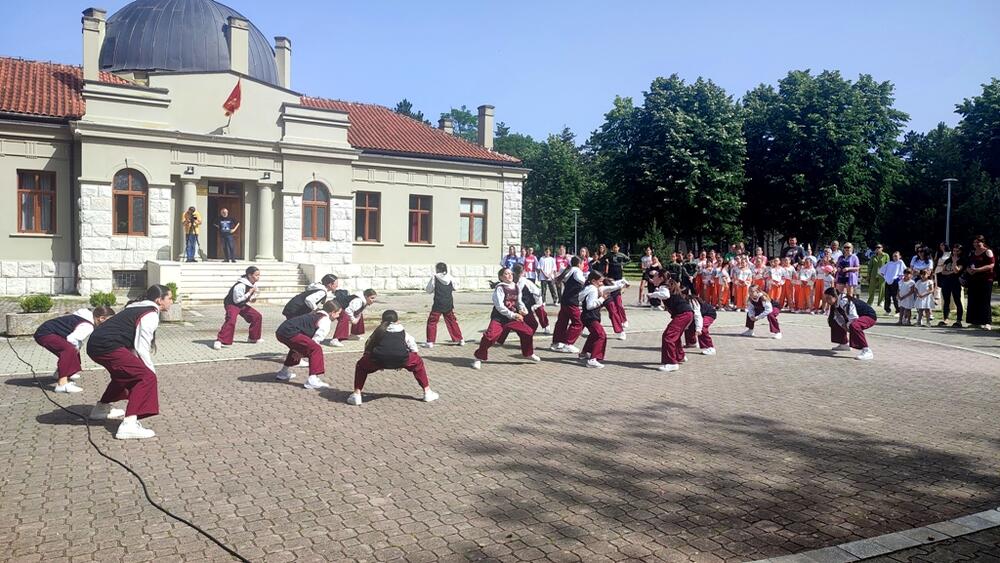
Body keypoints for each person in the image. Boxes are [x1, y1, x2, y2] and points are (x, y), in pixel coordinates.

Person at [87, 285, 173, 440]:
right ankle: (129, 425)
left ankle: (101, 409)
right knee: (145, 377)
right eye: (170, 298)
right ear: (159, 300)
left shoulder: (136, 308)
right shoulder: (150, 313)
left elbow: (132, 344)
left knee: (124, 375)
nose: (171, 302)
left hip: (97, 344)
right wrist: (149, 370)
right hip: (107, 345)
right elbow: (141, 346)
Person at [350, 310, 439, 405]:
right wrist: (410, 360)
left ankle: (357, 394)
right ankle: (427, 392)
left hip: (378, 360)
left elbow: (368, 346)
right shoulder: (402, 331)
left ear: (382, 320)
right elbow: (413, 346)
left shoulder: (378, 331)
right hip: (401, 359)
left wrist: (371, 360)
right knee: (418, 363)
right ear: (397, 321)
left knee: (361, 365)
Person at [34, 306, 115, 393]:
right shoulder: (87, 326)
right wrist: (75, 349)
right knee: (69, 350)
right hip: (45, 334)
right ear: (102, 318)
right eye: (109, 321)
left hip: (46, 331)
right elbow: (72, 339)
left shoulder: (84, 317)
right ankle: (62, 384)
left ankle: (60, 373)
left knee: (72, 350)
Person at [472, 268, 540, 369]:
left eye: (510, 273)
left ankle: (528, 353)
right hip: (499, 318)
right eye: (506, 274)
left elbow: (519, 301)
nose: (509, 275)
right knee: (489, 336)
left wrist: (523, 309)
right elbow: (499, 306)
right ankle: (478, 358)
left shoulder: (516, 287)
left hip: (512, 318)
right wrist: (513, 315)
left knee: (528, 332)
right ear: (501, 277)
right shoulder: (500, 288)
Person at [274, 301, 341, 390]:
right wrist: (304, 352)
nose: (338, 316)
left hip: (281, 331)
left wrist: (301, 351)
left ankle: (283, 373)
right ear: (332, 313)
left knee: (297, 347)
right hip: (290, 332)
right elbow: (316, 340)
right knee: (316, 349)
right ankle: (312, 379)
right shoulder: (326, 320)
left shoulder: (316, 314)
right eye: (338, 313)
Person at [579, 271, 628, 368]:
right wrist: (602, 299)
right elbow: (590, 306)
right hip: (590, 317)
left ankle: (584, 353)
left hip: (588, 317)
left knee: (594, 334)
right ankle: (593, 359)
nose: (602, 283)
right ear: (593, 281)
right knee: (601, 335)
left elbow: (610, 287)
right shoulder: (593, 290)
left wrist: (622, 283)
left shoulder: (591, 287)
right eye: (600, 281)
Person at [648, 276, 694, 372]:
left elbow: (666, 295)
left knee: (668, 336)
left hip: (683, 314)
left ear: (661, 278)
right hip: (686, 313)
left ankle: (671, 363)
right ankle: (679, 356)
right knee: (674, 336)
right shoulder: (667, 285)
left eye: (655, 276)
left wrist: (653, 294)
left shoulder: (664, 287)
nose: (652, 278)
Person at [213, 266, 262, 350]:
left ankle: (253, 338)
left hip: (241, 304)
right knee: (231, 320)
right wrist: (249, 293)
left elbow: (248, 299)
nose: (258, 277)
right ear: (250, 275)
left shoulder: (253, 284)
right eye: (256, 275)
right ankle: (219, 341)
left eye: (259, 275)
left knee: (257, 316)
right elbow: (236, 301)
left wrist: (252, 298)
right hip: (232, 304)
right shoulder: (240, 285)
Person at [824, 288, 877, 361]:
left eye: (828, 298)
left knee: (854, 325)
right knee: (832, 320)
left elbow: (853, 318)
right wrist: (843, 325)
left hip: (869, 316)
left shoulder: (844, 301)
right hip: (855, 317)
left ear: (835, 296)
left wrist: (848, 326)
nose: (827, 301)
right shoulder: (834, 303)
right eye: (825, 298)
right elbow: (837, 317)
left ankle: (866, 350)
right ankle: (844, 343)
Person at [550, 256, 586, 354]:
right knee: (578, 323)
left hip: (565, 300)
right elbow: (583, 281)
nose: (583, 266)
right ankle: (568, 344)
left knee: (562, 322)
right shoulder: (577, 271)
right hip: (572, 301)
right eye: (583, 264)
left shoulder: (568, 271)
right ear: (579, 264)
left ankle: (557, 342)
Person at [424, 262, 464, 348]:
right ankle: (460, 339)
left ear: (437, 269)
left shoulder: (435, 277)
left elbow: (429, 290)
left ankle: (430, 341)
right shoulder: (450, 277)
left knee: (432, 322)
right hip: (448, 303)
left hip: (438, 303)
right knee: (452, 321)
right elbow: (456, 287)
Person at [965, 235, 995, 331]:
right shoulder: (972, 253)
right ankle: (975, 322)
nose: (976, 244)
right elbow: (968, 264)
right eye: (974, 242)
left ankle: (987, 322)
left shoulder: (988, 251)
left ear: (983, 242)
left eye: (978, 242)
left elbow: (991, 264)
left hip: (986, 280)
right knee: (973, 300)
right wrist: (969, 270)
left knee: (984, 301)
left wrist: (978, 270)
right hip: (973, 280)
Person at [937, 244, 965, 328]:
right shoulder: (948, 260)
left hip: (956, 283)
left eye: (957, 251)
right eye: (954, 251)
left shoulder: (962, 261)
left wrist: (955, 262)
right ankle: (946, 319)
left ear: (960, 251)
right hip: (946, 283)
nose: (955, 252)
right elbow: (943, 272)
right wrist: (951, 271)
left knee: (957, 301)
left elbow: (957, 271)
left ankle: (958, 320)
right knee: (946, 301)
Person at [683, 287, 717, 355]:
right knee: (688, 324)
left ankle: (710, 347)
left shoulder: (692, 301)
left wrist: (698, 328)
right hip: (700, 314)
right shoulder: (681, 301)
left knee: (702, 327)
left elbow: (697, 315)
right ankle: (692, 342)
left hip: (708, 314)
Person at [879, 251, 905, 315]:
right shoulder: (889, 263)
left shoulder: (900, 262)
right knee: (887, 296)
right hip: (888, 281)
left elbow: (904, 271)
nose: (895, 257)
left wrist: (899, 278)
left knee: (895, 297)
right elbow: (881, 271)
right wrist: (885, 277)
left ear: (900, 256)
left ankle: (898, 311)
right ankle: (887, 310)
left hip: (896, 281)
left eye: (896, 256)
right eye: (893, 256)